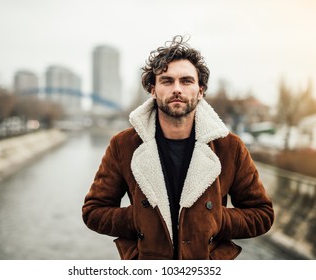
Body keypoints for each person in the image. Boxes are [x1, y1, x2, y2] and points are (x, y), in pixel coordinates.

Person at [82, 35, 274, 260]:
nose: (177, 89)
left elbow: (262, 215)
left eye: (186, 81)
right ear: (153, 90)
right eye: (166, 81)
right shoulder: (124, 145)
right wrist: (139, 219)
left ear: (200, 90)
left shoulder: (229, 147)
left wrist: (214, 219)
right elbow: (93, 211)